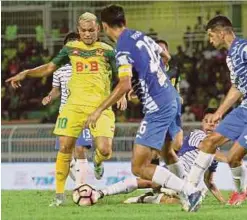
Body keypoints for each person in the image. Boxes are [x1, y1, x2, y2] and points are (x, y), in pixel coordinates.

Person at [84, 5, 202, 212]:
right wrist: (146, 80)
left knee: (139, 167)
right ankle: (188, 192)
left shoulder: (122, 48)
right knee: (167, 152)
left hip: (158, 106)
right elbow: (164, 54)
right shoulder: (140, 36)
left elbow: (124, 84)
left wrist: (99, 110)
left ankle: (190, 191)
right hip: (170, 96)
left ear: (103, 26)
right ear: (125, 22)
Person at [6, 12, 124, 206]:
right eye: (84, 31)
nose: (87, 34)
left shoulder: (108, 51)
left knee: (104, 149)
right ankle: (59, 195)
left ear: (98, 30)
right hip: (73, 107)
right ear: (79, 31)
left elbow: (122, 77)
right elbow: (48, 68)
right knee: (65, 147)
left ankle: (98, 160)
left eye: (91, 30)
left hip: (100, 107)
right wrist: (26, 73)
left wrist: (124, 96)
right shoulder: (70, 49)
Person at [187, 16, 247, 207]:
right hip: (246, 108)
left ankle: (240, 191)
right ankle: (188, 189)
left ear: (222, 33)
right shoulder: (231, 56)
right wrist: (220, 111)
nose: (210, 40)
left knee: (233, 158)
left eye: (211, 35)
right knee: (208, 141)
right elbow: (237, 87)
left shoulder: (242, 46)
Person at [95, 108, 226, 205]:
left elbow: (209, 181)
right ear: (202, 123)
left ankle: (146, 198)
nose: (210, 124)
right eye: (207, 121)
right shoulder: (198, 134)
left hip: (187, 184)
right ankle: (102, 192)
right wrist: (229, 159)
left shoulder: (214, 154)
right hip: (174, 172)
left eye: (215, 122)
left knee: (176, 202)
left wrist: (223, 202)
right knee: (149, 182)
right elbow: (205, 147)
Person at [41, 32, 92, 184]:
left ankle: (82, 186)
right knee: (66, 155)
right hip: (64, 114)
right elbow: (56, 89)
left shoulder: (89, 66)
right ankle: (81, 185)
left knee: (80, 149)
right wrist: (50, 96)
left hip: (83, 113)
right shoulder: (59, 69)